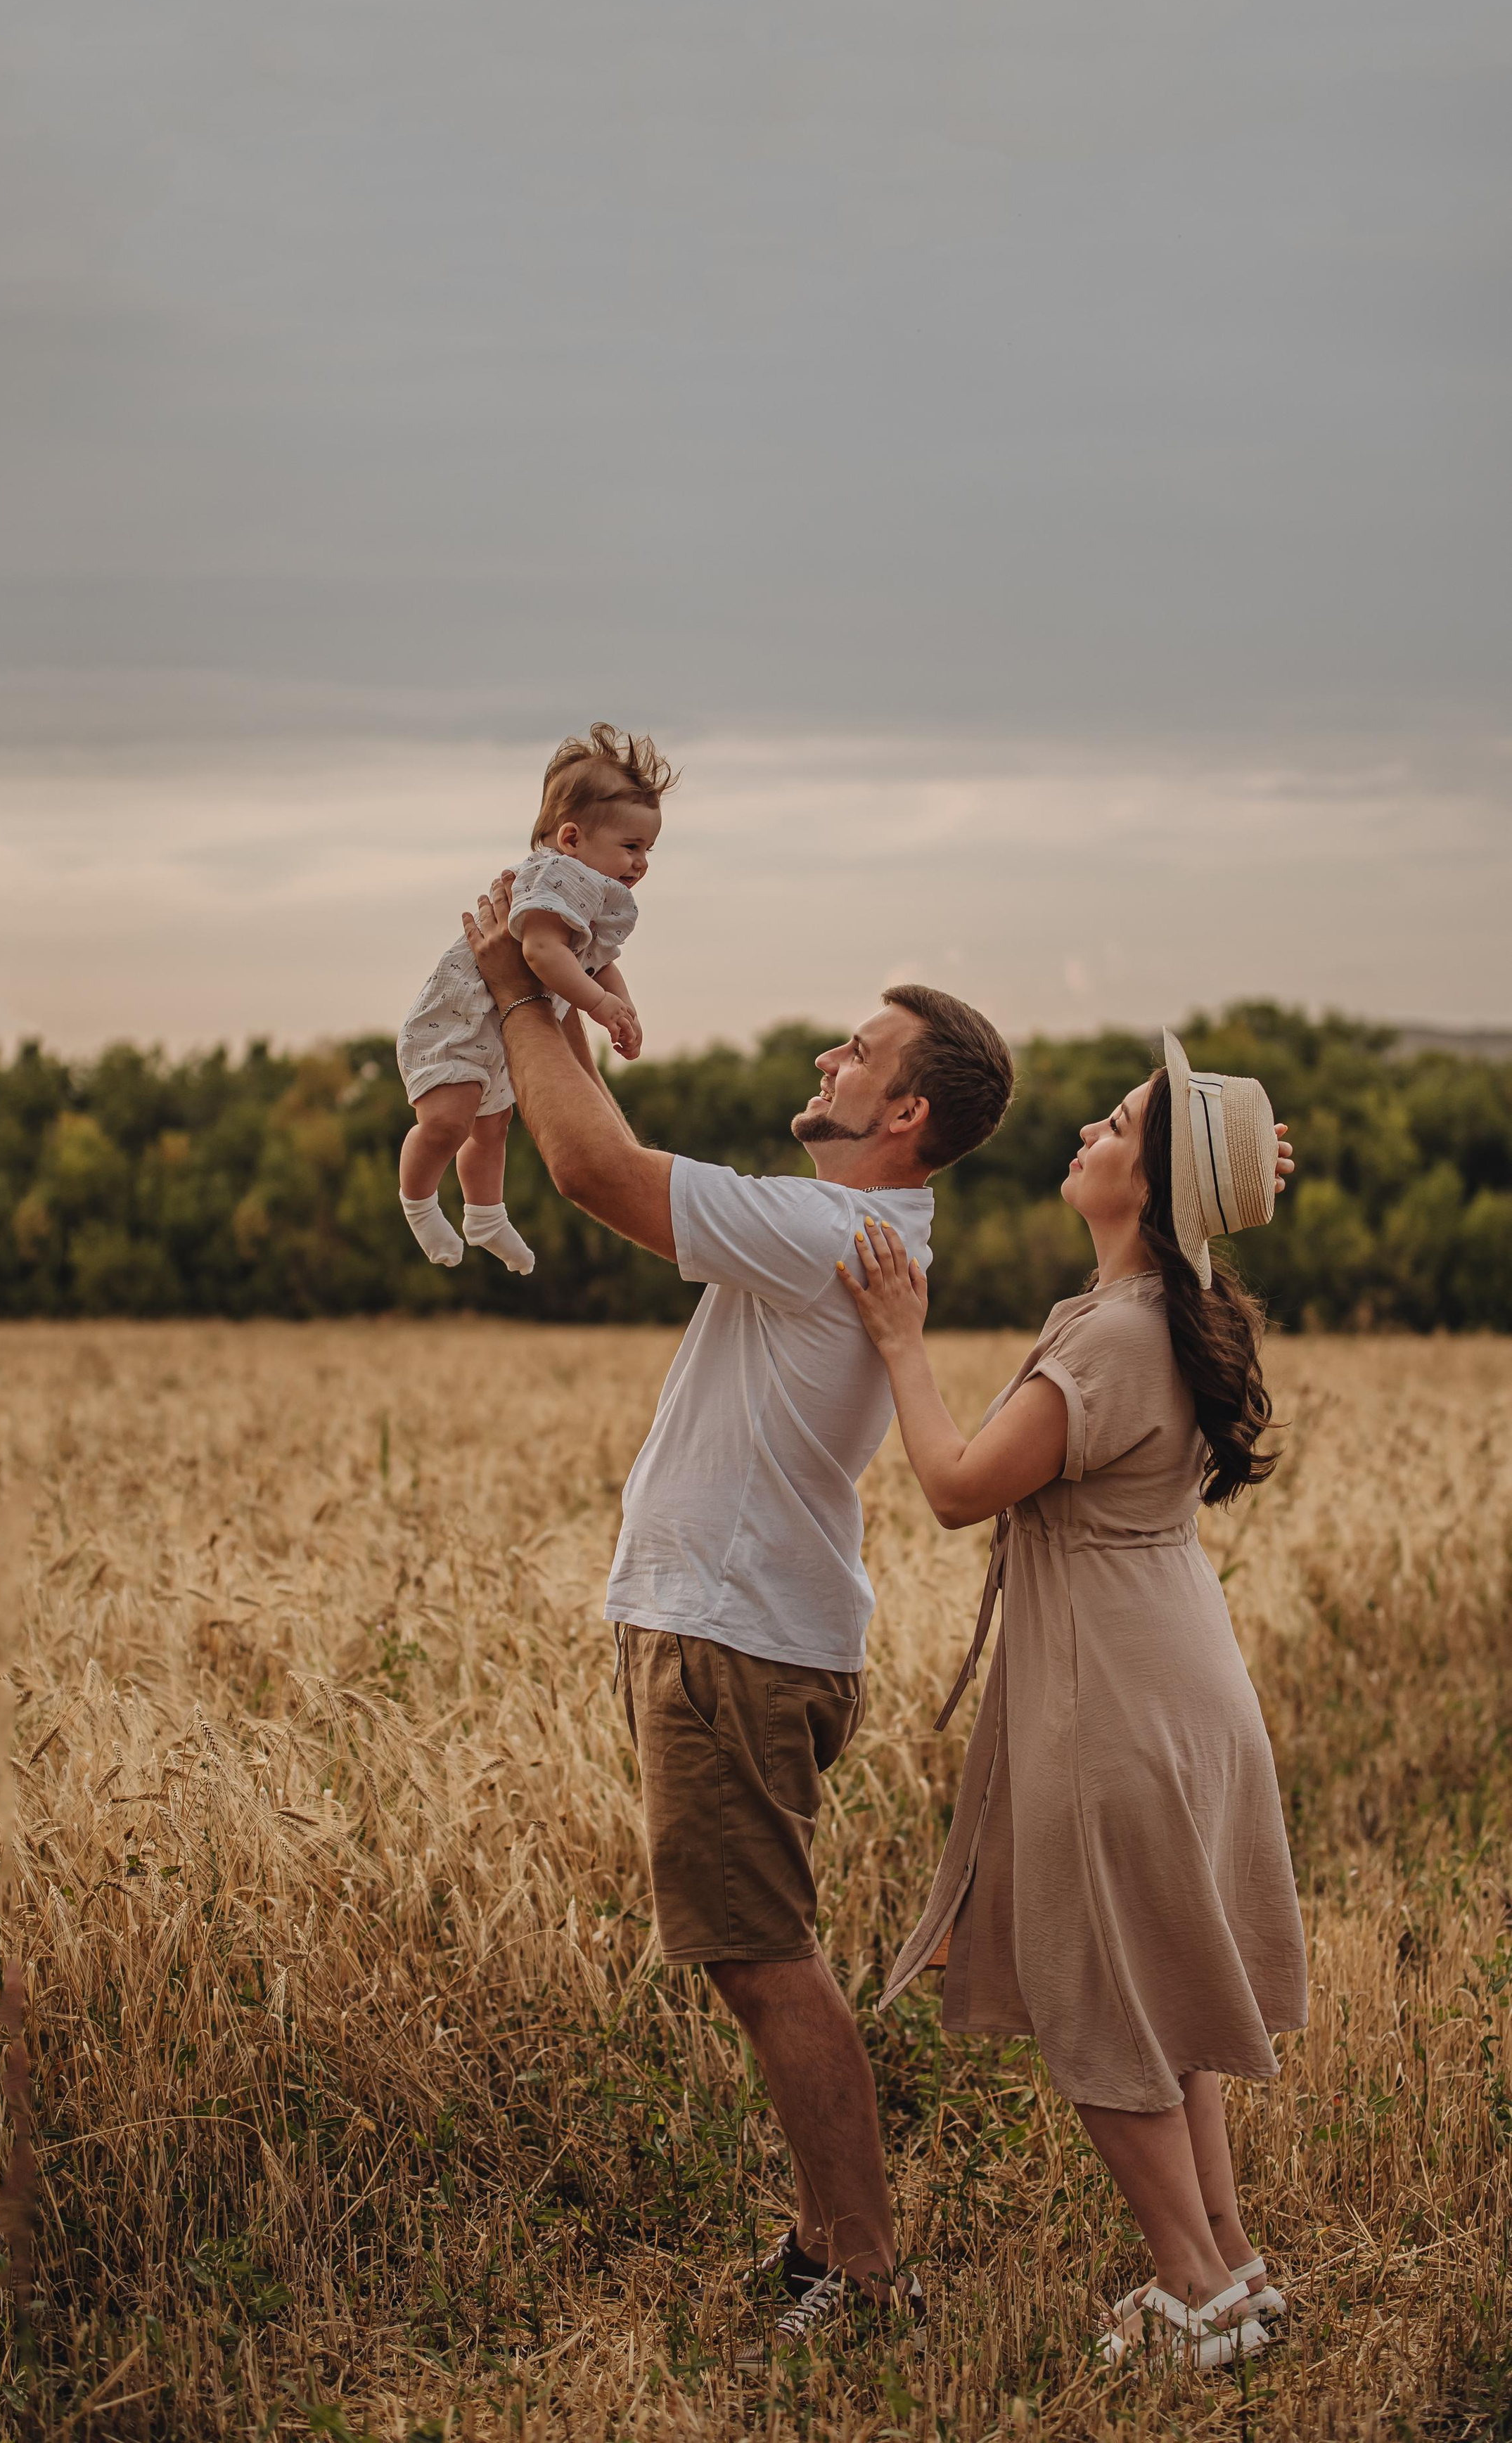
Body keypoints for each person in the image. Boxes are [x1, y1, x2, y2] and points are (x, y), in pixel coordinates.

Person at [461, 873, 1016, 2351]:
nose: (824, 1063)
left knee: (762, 1956)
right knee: (750, 1947)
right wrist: (555, 975)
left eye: (853, 1054)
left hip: (731, 1640)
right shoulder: (841, 1232)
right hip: (739, 1629)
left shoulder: (829, 1232)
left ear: (901, 1116)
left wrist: (519, 993)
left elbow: (593, 1174)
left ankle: (866, 2277)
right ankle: (835, 2249)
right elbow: (606, 1144)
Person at [838, 1030, 1306, 2373]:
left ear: (1150, 1189)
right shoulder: (1173, 1308)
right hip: (1182, 1681)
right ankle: (1230, 2270)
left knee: (1103, 1997)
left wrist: (899, 1339)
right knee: (1170, 1987)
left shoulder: (1110, 1333)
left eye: (1118, 1124)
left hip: (1108, 1705)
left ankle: (1193, 2292)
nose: (1089, 1132)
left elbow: (953, 1485)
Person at [397, 726, 675, 1276]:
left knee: (492, 1126)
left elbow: (597, 957)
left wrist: (623, 1007)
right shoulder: (556, 876)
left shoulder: (589, 890)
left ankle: (485, 1214)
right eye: (630, 847)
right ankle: (419, 1203)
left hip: (498, 1029)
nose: (641, 863)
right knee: (449, 1124)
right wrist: (599, 1006)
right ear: (571, 838)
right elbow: (544, 952)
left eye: (648, 850)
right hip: (457, 1025)